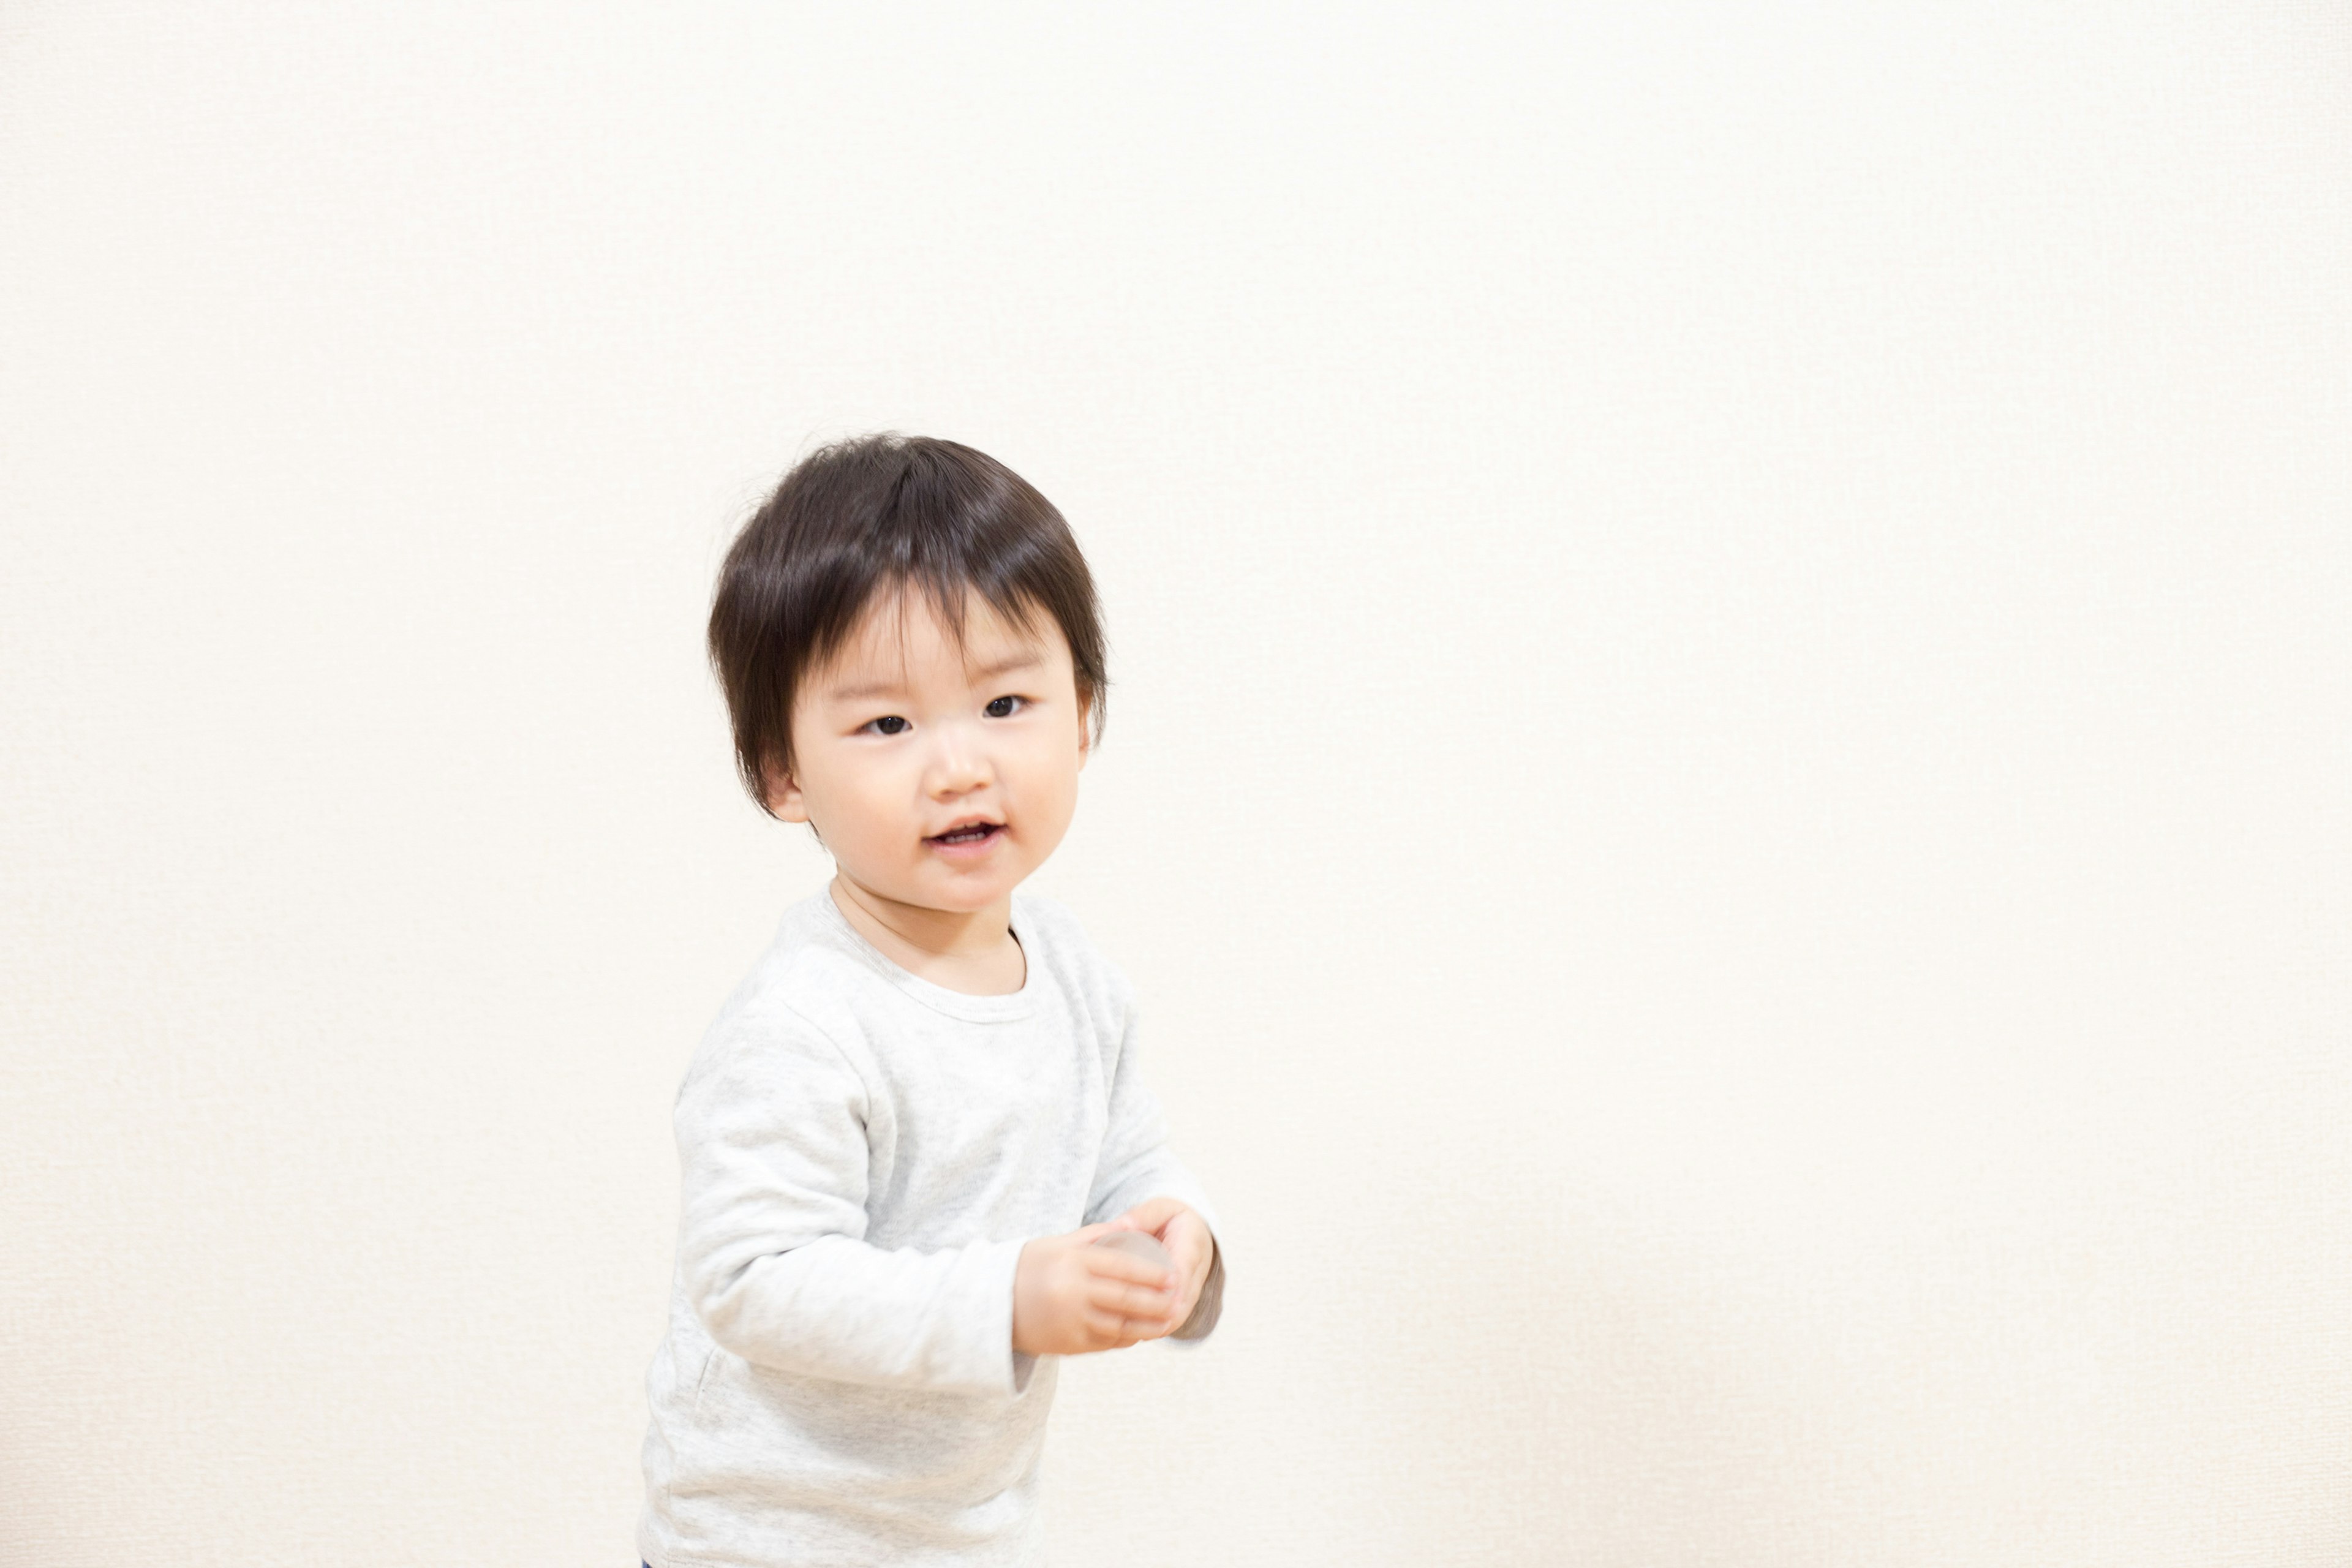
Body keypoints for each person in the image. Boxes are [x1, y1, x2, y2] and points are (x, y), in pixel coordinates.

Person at [638, 434, 1226, 1567]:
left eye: (1006, 702)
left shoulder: (1071, 975)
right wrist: (1007, 1298)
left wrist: (1176, 1228)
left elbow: (1127, 1154)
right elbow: (756, 1278)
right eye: (888, 726)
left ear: (1085, 710)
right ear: (782, 772)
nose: (957, 766)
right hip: (771, 1537)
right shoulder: (804, 1022)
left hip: (961, 1531)